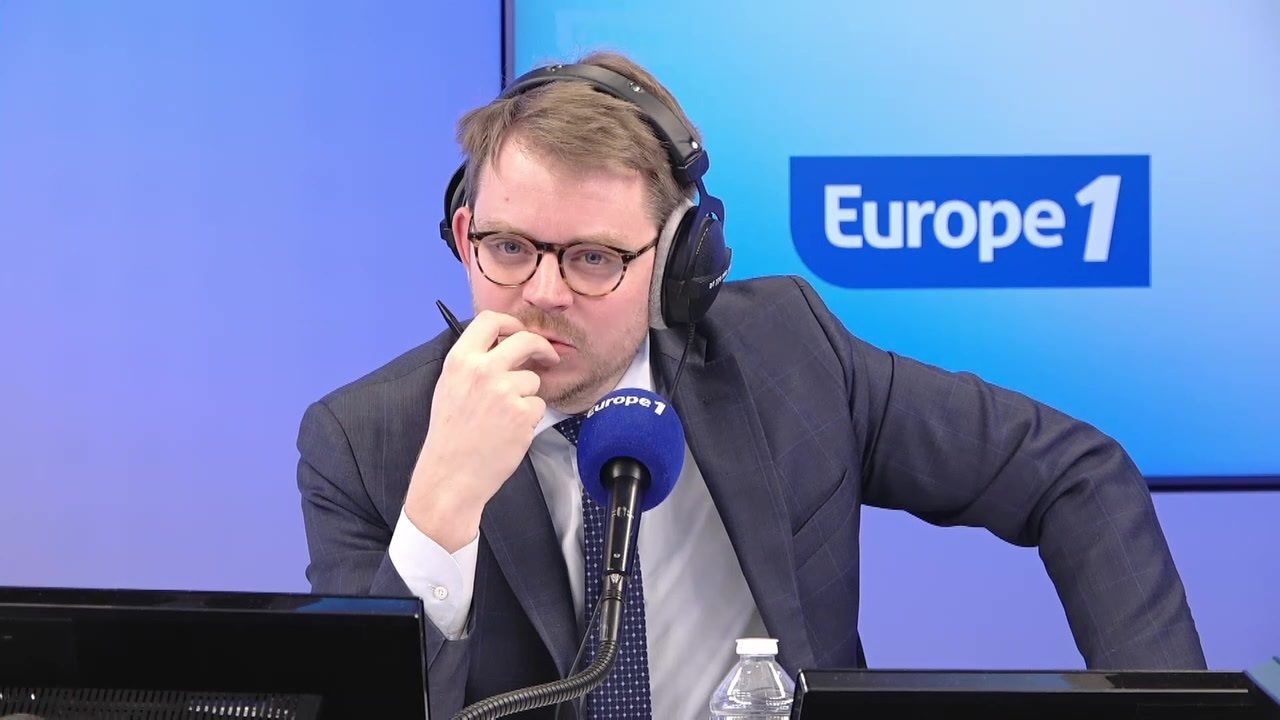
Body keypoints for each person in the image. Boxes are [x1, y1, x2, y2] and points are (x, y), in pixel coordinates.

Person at [295, 51, 1205, 720]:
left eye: (593, 258)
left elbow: (1073, 474)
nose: (543, 293)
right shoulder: (365, 442)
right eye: (508, 247)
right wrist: (441, 508)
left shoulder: (786, 354)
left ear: (678, 261)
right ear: (463, 235)